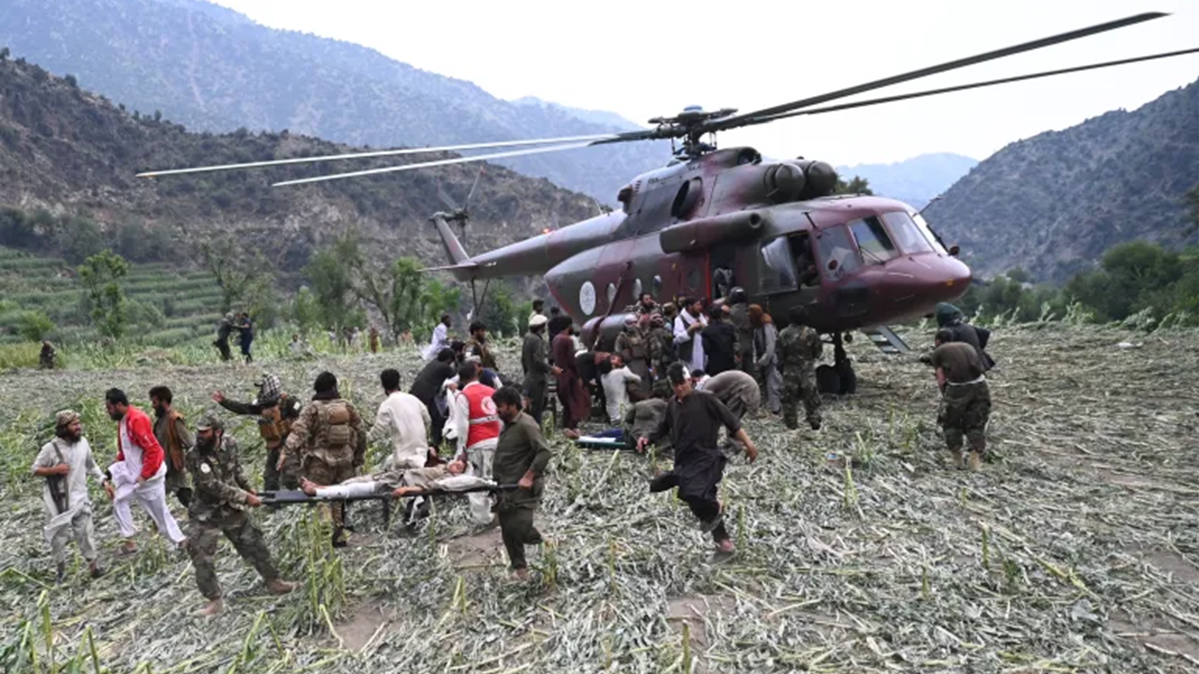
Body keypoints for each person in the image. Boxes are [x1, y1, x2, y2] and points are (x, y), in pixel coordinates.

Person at [638, 363, 759, 556]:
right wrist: (647, 438)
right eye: (675, 385)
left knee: (696, 493)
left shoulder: (706, 399)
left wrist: (749, 444)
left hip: (705, 457)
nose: (680, 389)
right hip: (684, 459)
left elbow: (732, 422)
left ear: (690, 381)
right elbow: (663, 428)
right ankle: (720, 529)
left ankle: (723, 539)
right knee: (686, 495)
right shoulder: (672, 404)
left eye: (682, 384)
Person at [185, 415, 293, 616]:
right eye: (198, 432)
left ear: (217, 432)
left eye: (204, 432)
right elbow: (211, 486)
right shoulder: (194, 455)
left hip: (231, 508)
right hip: (205, 513)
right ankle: (214, 600)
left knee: (254, 542)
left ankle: (274, 581)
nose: (200, 436)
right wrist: (245, 497)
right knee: (201, 556)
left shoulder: (230, 444)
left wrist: (249, 489)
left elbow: (236, 471)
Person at [282, 372, 367, 546]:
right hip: (345, 461)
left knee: (320, 497)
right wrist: (358, 456)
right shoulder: (347, 406)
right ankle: (340, 535)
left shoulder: (312, 408)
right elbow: (361, 432)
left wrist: (286, 452)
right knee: (340, 496)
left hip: (319, 462)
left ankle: (325, 533)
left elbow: (299, 431)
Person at [103, 389, 187, 555]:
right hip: (134, 475)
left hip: (150, 477)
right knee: (119, 500)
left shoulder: (137, 419)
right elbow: (125, 451)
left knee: (160, 514)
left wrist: (144, 476)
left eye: (109, 408)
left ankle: (181, 541)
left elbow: (154, 450)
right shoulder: (123, 421)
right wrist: (110, 471)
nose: (108, 412)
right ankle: (130, 542)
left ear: (119, 405)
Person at [32, 410, 105, 582]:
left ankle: (94, 568)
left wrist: (103, 481)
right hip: (57, 501)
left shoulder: (83, 443)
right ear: (64, 428)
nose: (79, 427)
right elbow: (35, 469)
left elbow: (91, 465)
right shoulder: (50, 449)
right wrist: (54, 470)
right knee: (59, 538)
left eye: (79, 423)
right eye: (74, 424)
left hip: (80, 498)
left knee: (86, 534)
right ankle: (61, 571)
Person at [491, 386, 553, 579]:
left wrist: (529, 476)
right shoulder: (508, 425)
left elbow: (544, 451)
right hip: (505, 486)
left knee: (521, 527)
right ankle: (520, 569)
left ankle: (547, 545)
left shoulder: (526, 424)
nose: (497, 411)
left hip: (522, 487)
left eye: (500, 407)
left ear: (511, 405)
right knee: (508, 530)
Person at [213, 374, 304, 491]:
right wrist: (224, 401)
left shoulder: (290, 403)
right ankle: (272, 504)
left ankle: (298, 501)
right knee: (270, 478)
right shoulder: (262, 404)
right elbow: (243, 408)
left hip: (290, 446)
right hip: (273, 446)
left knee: (290, 476)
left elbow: (304, 423)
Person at [445, 361, 502, 525]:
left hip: (478, 444)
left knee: (477, 485)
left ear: (461, 380)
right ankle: (501, 514)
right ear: (478, 375)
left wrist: (461, 451)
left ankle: (485, 520)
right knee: (497, 480)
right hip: (497, 441)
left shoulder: (464, 396)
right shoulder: (492, 392)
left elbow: (462, 426)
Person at [929, 328, 991, 471]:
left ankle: (957, 460)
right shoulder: (967, 346)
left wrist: (945, 395)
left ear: (937, 341)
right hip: (980, 385)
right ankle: (975, 459)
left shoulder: (937, 352)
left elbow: (941, 379)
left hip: (958, 387)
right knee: (977, 421)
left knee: (951, 423)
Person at [370, 368, 432, 470]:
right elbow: (428, 420)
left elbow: (377, 432)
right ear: (399, 382)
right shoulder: (414, 399)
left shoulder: (387, 405)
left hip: (402, 459)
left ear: (383, 385)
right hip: (422, 453)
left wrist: (364, 439)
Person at [777, 306, 823, 431]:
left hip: (790, 370)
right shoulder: (812, 332)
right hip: (807, 370)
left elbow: (779, 354)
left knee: (789, 401)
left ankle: (792, 426)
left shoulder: (783, 333)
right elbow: (818, 352)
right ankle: (814, 421)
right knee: (811, 398)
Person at [150, 386, 193, 508]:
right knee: (156, 500)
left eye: (155, 402)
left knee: (185, 496)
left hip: (174, 468)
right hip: (163, 468)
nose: (153, 405)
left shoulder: (174, 420)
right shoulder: (160, 421)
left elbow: (189, 443)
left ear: (163, 402)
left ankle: (205, 518)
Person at [411, 348, 457, 450]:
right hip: (427, 393)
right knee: (436, 418)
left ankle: (431, 440)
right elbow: (457, 376)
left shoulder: (434, 362)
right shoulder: (445, 367)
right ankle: (436, 442)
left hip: (416, 391)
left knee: (422, 418)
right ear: (449, 359)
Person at [550, 316, 590, 433]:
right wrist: (578, 376)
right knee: (575, 401)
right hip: (568, 374)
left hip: (559, 374)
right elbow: (571, 361)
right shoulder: (567, 340)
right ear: (569, 325)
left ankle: (566, 426)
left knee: (566, 402)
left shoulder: (556, 339)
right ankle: (572, 426)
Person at [935, 302, 995, 370]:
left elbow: (943, 352)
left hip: (966, 368)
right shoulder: (967, 327)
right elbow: (985, 333)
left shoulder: (946, 331)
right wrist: (978, 349)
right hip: (981, 363)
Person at [750, 305, 782, 415]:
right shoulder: (757, 328)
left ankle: (776, 408)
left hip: (772, 359)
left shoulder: (767, 327)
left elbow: (770, 347)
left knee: (773, 383)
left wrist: (762, 361)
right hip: (764, 358)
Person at [521, 314, 552, 424]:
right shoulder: (537, 340)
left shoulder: (527, 338)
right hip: (538, 380)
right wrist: (551, 369)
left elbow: (523, 360)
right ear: (542, 327)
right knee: (537, 409)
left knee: (530, 409)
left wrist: (527, 374)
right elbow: (538, 361)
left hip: (529, 378)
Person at [696, 369, 761, 420]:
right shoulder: (710, 381)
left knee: (731, 418)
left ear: (697, 378)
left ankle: (733, 436)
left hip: (744, 389)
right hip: (745, 387)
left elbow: (703, 405)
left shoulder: (708, 386)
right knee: (732, 417)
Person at [601, 353, 642, 423]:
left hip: (612, 414)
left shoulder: (602, 377)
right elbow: (638, 379)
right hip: (622, 411)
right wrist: (624, 366)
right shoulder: (620, 373)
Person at [673, 297, 708, 374]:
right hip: (688, 357)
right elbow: (678, 338)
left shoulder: (700, 316)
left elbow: (706, 330)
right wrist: (690, 329)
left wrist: (703, 326)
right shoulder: (680, 319)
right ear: (690, 307)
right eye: (697, 305)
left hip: (702, 354)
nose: (700, 307)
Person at [614, 315, 653, 383]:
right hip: (631, 365)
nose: (633, 325)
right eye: (630, 323)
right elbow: (618, 353)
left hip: (643, 363)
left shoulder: (639, 333)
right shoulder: (621, 338)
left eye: (635, 322)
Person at [726, 288, 755, 378]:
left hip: (739, 341)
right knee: (750, 368)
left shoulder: (732, 311)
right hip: (749, 340)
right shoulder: (749, 309)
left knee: (739, 370)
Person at [701, 306, 738, 376]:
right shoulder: (729, 327)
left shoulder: (706, 330)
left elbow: (707, 350)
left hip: (714, 363)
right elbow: (735, 341)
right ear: (721, 315)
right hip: (729, 361)